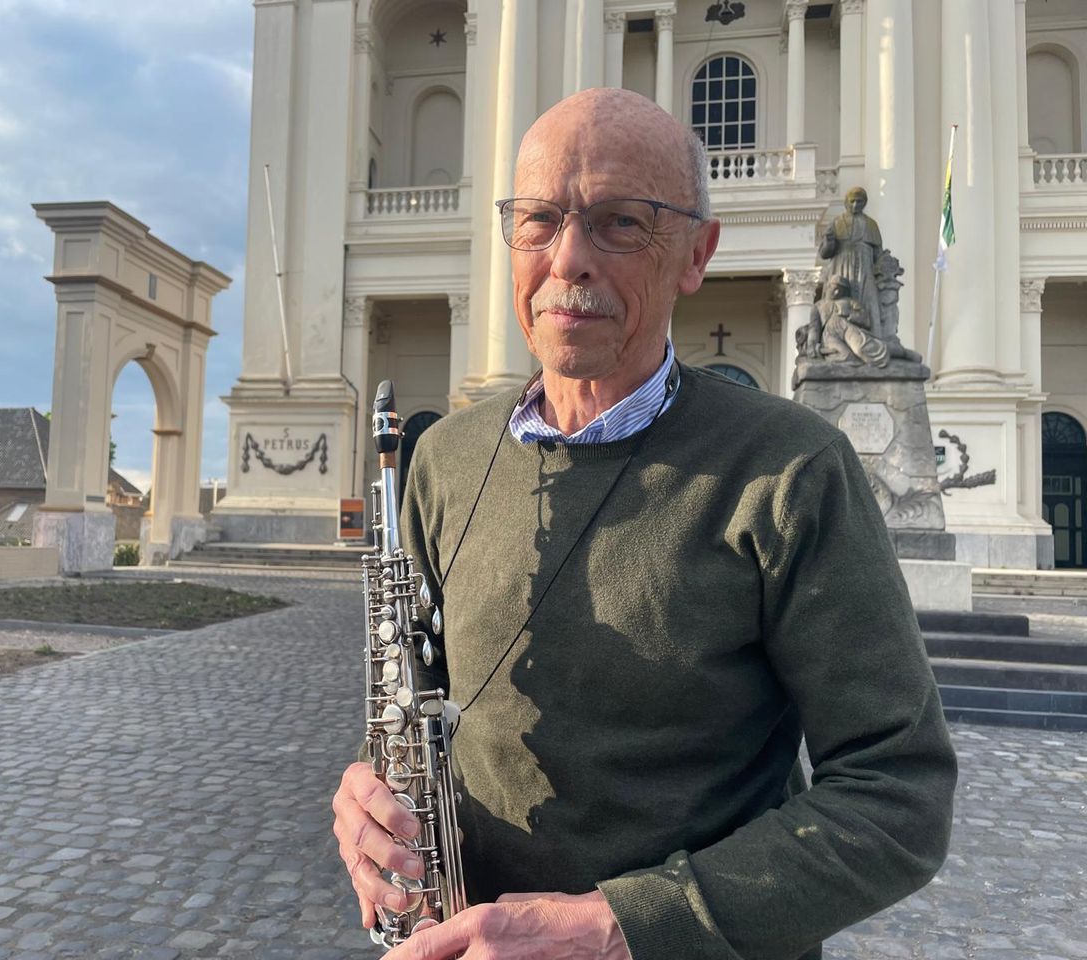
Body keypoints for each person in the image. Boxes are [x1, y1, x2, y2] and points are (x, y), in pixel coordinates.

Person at [332, 87, 957, 960]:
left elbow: (900, 795)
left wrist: (617, 928)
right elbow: (418, 702)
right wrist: (368, 802)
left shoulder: (793, 471)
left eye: (621, 222)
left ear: (696, 254)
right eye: (540, 219)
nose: (569, 260)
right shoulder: (443, 457)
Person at [818, 187, 884, 337]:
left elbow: (878, 253)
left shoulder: (871, 225)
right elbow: (824, 253)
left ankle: (873, 336)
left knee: (868, 301)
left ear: (864, 203)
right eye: (852, 201)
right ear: (846, 202)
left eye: (859, 202)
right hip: (841, 267)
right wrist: (828, 243)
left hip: (864, 270)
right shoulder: (836, 223)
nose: (855, 205)